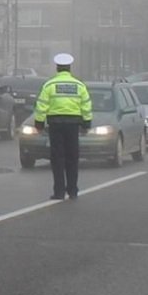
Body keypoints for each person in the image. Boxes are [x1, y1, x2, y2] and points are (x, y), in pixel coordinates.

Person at [34, 53, 92, 200]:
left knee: (57, 158)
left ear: (57, 68)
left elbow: (41, 106)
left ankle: (59, 192)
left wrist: (39, 124)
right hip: (73, 125)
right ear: (69, 68)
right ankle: (73, 190)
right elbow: (86, 106)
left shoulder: (50, 85)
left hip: (55, 124)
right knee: (72, 157)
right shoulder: (79, 85)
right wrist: (86, 123)